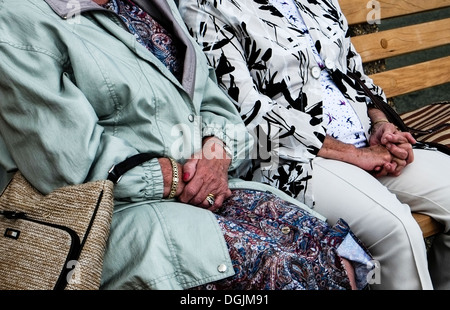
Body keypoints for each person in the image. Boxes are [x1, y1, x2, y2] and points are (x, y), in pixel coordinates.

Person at [0, 0, 377, 290]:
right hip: (110, 213)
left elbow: (214, 101)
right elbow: (70, 162)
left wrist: (215, 158)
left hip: (203, 189)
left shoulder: (142, 7)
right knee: (279, 271)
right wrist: (185, 176)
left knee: (339, 255)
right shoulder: (17, 19)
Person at [178, 0, 450, 289]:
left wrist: (381, 124)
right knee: (397, 232)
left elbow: (354, 75)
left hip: (366, 147)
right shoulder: (208, 7)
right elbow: (246, 111)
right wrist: (353, 155)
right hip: (291, 159)